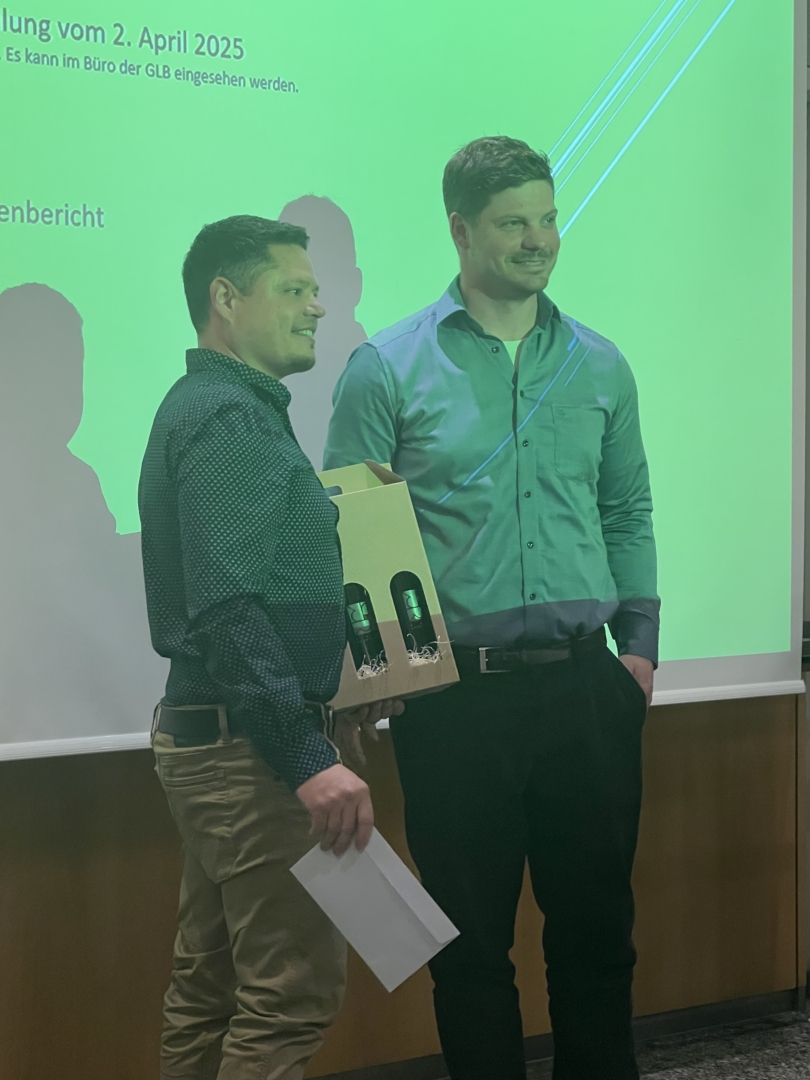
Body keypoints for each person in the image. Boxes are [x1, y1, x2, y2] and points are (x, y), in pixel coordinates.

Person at [324, 137, 659, 1080]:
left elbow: (627, 508)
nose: (538, 239)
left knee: (598, 936)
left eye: (547, 219)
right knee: (470, 951)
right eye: (514, 223)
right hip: (455, 704)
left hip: (586, 689)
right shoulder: (385, 367)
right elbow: (352, 532)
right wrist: (379, 671)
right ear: (461, 230)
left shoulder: (601, 364)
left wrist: (637, 648)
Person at [139, 215, 400, 1080]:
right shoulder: (228, 418)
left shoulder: (218, 408)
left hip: (221, 742)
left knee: (210, 990)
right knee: (288, 998)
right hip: (249, 755)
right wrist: (305, 753)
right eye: (294, 290)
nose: (318, 307)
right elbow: (226, 608)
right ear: (226, 298)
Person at [278, 196, 367, 468]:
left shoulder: (388, 383)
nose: (311, 306)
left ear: (355, 285)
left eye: (318, 286)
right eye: (293, 289)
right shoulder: (253, 398)